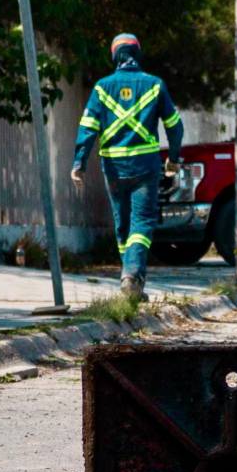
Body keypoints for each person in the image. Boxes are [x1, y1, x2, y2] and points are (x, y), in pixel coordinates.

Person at [72, 32, 182, 299]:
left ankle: (130, 282)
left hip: (113, 167)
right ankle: (132, 275)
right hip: (145, 167)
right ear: (137, 54)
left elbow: (88, 128)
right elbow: (175, 126)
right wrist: (174, 159)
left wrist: (79, 163)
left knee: (123, 224)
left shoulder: (101, 87)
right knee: (141, 223)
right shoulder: (155, 85)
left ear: (114, 55)